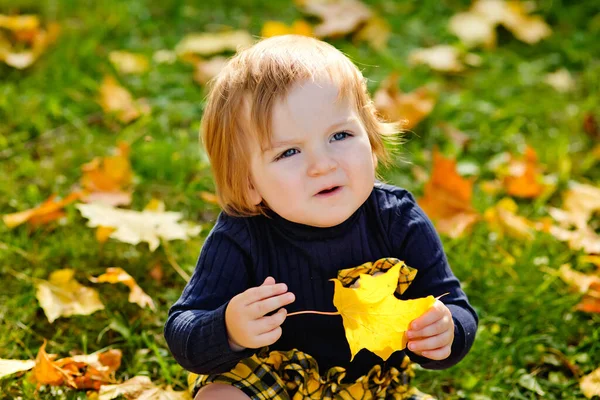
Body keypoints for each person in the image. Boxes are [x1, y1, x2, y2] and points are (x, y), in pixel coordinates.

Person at [164, 34, 478, 400]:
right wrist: (228, 328)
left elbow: (453, 304)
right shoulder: (242, 236)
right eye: (289, 152)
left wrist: (448, 331)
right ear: (249, 184)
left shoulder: (397, 219)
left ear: (372, 142)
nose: (322, 165)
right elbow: (182, 331)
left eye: (340, 135)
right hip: (273, 375)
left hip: (370, 384)